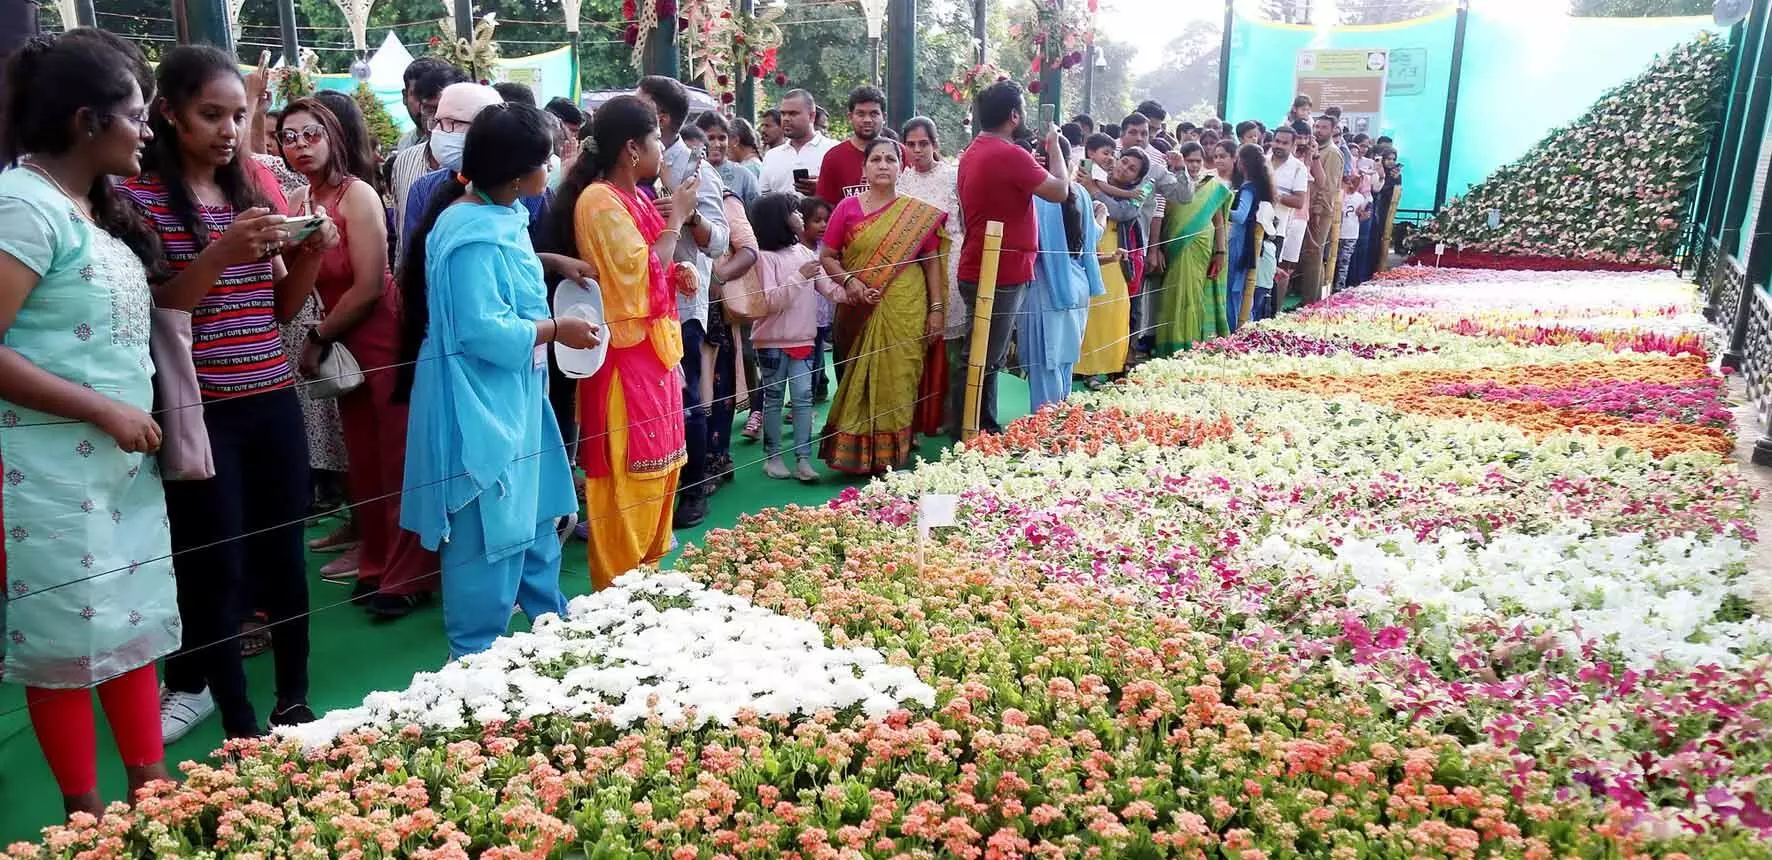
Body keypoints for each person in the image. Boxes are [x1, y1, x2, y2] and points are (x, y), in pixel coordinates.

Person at [123, 44, 328, 741]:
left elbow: (279, 308)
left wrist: (309, 253)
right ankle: (237, 720)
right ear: (169, 113)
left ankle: (294, 700)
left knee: (284, 553)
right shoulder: (138, 200)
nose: (230, 130)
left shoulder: (249, 190)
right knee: (217, 565)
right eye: (212, 114)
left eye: (238, 115)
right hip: (201, 408)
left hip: (272, 396)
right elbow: (160, 309)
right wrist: (220, 252)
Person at [0, 29, 178, 819]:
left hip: (111, 467)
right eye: (135, 114)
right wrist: (102, 408)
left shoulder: (81, 204)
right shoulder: (21, 207)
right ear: (85, 121)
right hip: (41, 471)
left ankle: (154, 793)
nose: (145, 131)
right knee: (63, 640)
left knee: (127, 622)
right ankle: (87, 821)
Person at [397, 103, 590, 658]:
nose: (553, 167)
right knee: (489, 526)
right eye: (547, 159)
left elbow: (505, 275)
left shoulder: (498, 214)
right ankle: (474, 660)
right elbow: (483, 330)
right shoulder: (472, 233)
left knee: (534, 515)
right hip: (478, 399)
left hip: (515, 392)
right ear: (517, 173)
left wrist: (550, 263)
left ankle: (553, 634)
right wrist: (556, 329)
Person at [278, 97, 435, 620]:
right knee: (363, 461)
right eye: (289, 137)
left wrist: (317, 337)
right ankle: (377, 564)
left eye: (311, 134)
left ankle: (412, 574)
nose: (300, 146)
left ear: (333, 137)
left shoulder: (358, 193)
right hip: (341, 339)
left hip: (382, 334)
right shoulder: (298, 199)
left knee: (399, 459)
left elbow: (369, 285)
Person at [554, 95, 695, 589]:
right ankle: (618, 593)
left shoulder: (634, 196)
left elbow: (657, 264)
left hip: (655, 354)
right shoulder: (599, 200)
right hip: (623, 358)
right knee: (627, 478)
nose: (662, 148)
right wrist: (677, 219)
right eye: (657, 138)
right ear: (633, 148)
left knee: (661, 471)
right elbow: (637, 276)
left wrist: (680, 268)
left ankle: (647, 583)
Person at [818, 138, 946, 473]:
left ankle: (893, 453)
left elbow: (931, 261)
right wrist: (850, 282)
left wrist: (936, 309)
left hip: (907, 306)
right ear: (864, 168)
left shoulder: (916, 214)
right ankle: (856, 454)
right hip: (857, 306)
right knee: (855, 374)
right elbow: (828, 256)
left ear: (901, 167)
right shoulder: (846, 209)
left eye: (891, 159)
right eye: (876, 159)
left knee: (901, 376)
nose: (884, 165)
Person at [635, 74, 728, 531]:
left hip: (680, 304)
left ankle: (692, 490)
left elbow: (720, 241)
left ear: (661, 117)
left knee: (685, 397)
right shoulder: (628, 164)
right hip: (634, 301)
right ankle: (651, 491)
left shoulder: (696, 170)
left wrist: (686, 215)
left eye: (639, 104)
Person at [952, 80, 1070, 436]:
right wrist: (1055, 146)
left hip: (984, 262)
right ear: (1014, 116)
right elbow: (1060, 191)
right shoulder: (1010, 155)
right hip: (999, 270)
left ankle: (976, 424)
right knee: (986, 356)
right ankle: (976, 428)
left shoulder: (974, 150)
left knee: (983, 352)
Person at [749, 192, 838, 482]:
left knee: (803, 399)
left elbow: (828, 288)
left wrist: (854, 292)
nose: (799, 215)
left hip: (803, 341)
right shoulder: (765, 258)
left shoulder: (804, 253)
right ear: (779, 219)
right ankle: (773, 458)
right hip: (771, 342)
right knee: (774, 400)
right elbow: (770, 301)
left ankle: (803, 459)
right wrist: (800, 277)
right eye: (793, 211)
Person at [1020, 136, 1103, 411]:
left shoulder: (1037, 197)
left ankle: (1047, 424)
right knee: (1065, 358)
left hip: (1045, 286)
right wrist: (1102, 217)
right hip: (1078, 282)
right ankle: (1062, 419)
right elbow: (1092, 235)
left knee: (1045, 362)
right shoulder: (1081, 194)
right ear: (1068, 162)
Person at [895, 116, 962, 436]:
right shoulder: (902, 181)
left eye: (923, 144)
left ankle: (950, 413)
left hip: (951, 261)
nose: (917, 150)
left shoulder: (953, 177)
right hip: (913, 266)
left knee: (950, 339)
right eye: (911, 144)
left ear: (935, 145)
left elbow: (964, 223)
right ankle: (919, 415)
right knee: (917, 335)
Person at [1074, 137, 1145, 381]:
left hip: (1117, 256)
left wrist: (1094, 191)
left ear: (1137, 178)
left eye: (1132, 169)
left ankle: (1108, 367)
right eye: (1124, 161)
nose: (1124, 168)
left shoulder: (1138, 195)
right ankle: (1080, 368)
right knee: (1088, 308)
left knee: (1112, 310)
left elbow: (1121, 212)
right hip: (1087, 249)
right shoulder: (1093, 175)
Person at [1153, 141, 1231, 353]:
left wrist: (1221, 251)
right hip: (1174, 244)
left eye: (1198, 161)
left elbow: (1219, 221)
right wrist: (1156, 248)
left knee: (1195, 291)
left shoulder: (1212, 186)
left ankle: (1193, 342)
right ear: (1181, 161)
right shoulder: (1170, 183)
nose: (1194, 166)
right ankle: (1173, 343)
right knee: (1174, 291)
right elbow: (1159, 216)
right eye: (1189, 161)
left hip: (1202, 244)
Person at [389, 65, 470, 253]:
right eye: (430, 109)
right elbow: (403, 238)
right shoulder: (404, 160)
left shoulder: (485, 170)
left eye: (444, 110)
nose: (436, 119)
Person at [814, 85, 885, 205]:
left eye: (874, 114)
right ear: (850, 117)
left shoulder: (899, 154)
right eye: (861, 114)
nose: (867, 120)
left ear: (884, 117)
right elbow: (825, 207)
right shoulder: (834, 157)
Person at [1226, 143, 1270, 330]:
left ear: (1242, 163)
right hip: (1245, 239)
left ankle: (1234, 327)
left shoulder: (1248, 188)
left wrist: (1222, 207)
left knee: (1233, 289)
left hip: (1240, 240)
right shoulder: (1256, 185)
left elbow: (1240, 216)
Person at [759, 90, 834, 196]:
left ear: (811, 116)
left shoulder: (833, 150)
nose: (786, 119)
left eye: (793, 114)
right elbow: (763, 198)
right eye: (783, 114)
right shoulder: (771, 156)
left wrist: (822, 188)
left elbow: (849, 195)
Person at [1267, 125, 1309, 312]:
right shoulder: (1262, 161)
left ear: (1293, 146)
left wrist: (1275, 195)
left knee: (1270, 276)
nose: (1279, 145)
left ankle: (1269, 315)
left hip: (1277, 230)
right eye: (1277, 141)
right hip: (1254, 226)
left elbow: (1299, 201)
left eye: (1285, 143)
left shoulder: (1298, 168)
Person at [695, 111, 759, 206]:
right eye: (711, 138)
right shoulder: (690, 173)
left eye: (722, 138)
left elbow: (756, 211)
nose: (717, 144)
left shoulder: (744, 176)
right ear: (699, 140)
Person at [1312, 115, 1345, 292]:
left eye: (1323, 127)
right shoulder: (1316, 149)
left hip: (1321, 210)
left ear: (1333, 131)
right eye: (1317, 126)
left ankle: (1313, 298)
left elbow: (1329, 187)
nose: (1318, 130)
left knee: (1315, 254)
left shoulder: (1332, 152)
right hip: (1309, 208)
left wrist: (1318, 210)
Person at [395, 58, 455, 152]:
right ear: (405, 97)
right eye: (418, 95)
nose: (424, 104)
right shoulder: (405, 144)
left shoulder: (457, 142)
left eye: (432, 95)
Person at [1334, 172, 1367, 293]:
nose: (1352, 185)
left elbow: (1363, 215)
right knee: (1331, 260)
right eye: (1349, 182)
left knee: (1344, 261)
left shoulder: (1360, 198)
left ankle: (1339, 287)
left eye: (1356, 183)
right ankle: (1328, 284)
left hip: (1351, 234)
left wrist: (1362, 214)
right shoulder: (1339, 194)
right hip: (1335, 233)